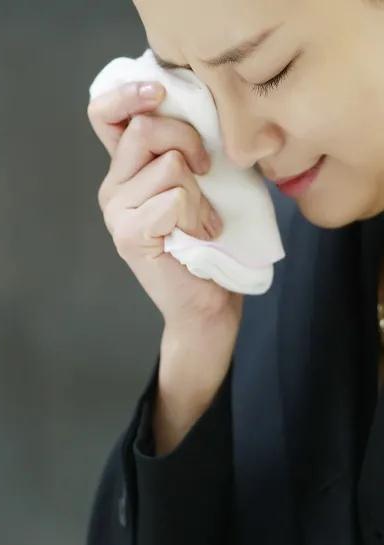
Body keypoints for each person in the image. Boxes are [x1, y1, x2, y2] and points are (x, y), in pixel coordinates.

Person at [84, 0, 384, 544]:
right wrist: (197, 345)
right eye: (194, 84)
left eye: (269, 74)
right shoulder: (275, 265)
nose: (239, 148)